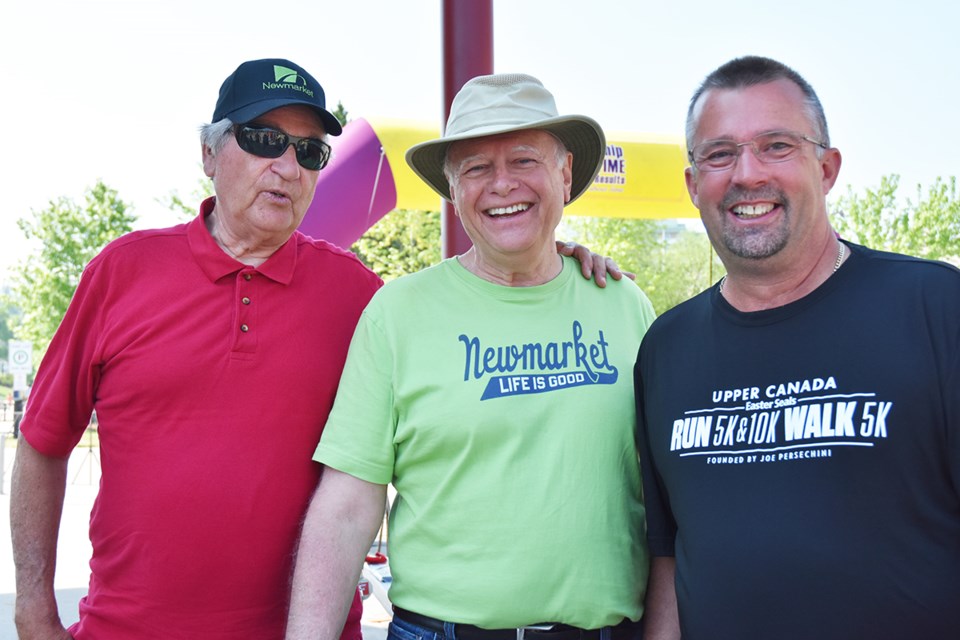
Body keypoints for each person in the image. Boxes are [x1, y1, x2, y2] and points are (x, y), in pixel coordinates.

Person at [9, 57, 381, 640]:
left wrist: (548, 266)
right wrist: (33, 613)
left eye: (310, 151)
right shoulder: (122, 272)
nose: (288, 166)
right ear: (209, 154)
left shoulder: (359, 294)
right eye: (265, 140)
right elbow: (42, 442)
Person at [285, 73, 656, 640]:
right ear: (454, 191)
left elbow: (664, 495)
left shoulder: (624, 303)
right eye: (477, 168)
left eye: (525, 160)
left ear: (565, 173)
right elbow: (347, 504)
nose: (502, 184)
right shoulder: (397, 313)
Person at [634, 55, 960, 640]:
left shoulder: (935, 306)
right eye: (719, 154)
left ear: (827, 167)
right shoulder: (667, 347)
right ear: (692, 184)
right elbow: (669, 553)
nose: (746, 174)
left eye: (776, 145)